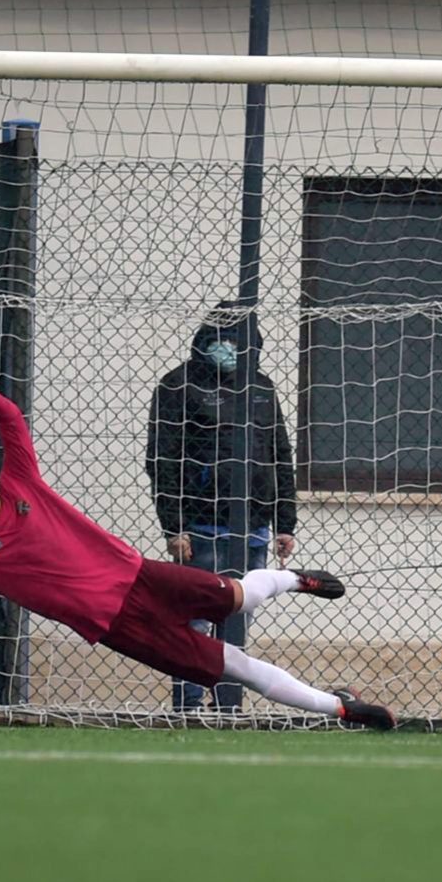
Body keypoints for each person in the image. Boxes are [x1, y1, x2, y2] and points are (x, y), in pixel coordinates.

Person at [0, 340, 393, 729]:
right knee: (234, 665)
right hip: (120, 627)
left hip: (141, 576)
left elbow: (9, 417)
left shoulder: (21, 482)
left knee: (240, 598)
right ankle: (343, 708)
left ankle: (295, 580)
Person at [144, 302, 298, 711]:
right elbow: (162, 460)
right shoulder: (177, 386)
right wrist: (174, 527)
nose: (229, 348)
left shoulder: (261, 388)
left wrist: (285, 523)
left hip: (253, 528)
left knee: (237, 623)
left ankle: (227, 704)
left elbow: (280, 455)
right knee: (193, 621)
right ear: (206, 338)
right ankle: (189, 705)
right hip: (200, 529)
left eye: (237, 341)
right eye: (222, 339)